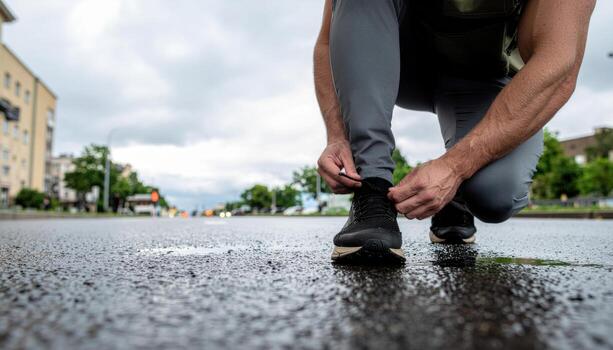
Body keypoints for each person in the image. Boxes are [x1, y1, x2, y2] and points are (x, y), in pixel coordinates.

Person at [313, 0, 595, 262]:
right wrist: (338, 136)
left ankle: (457, 199)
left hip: (486, 79)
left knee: (496, 196)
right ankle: (372, 193)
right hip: (399, 61)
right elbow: (329, 40)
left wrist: (457, 167)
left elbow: (559, 66)